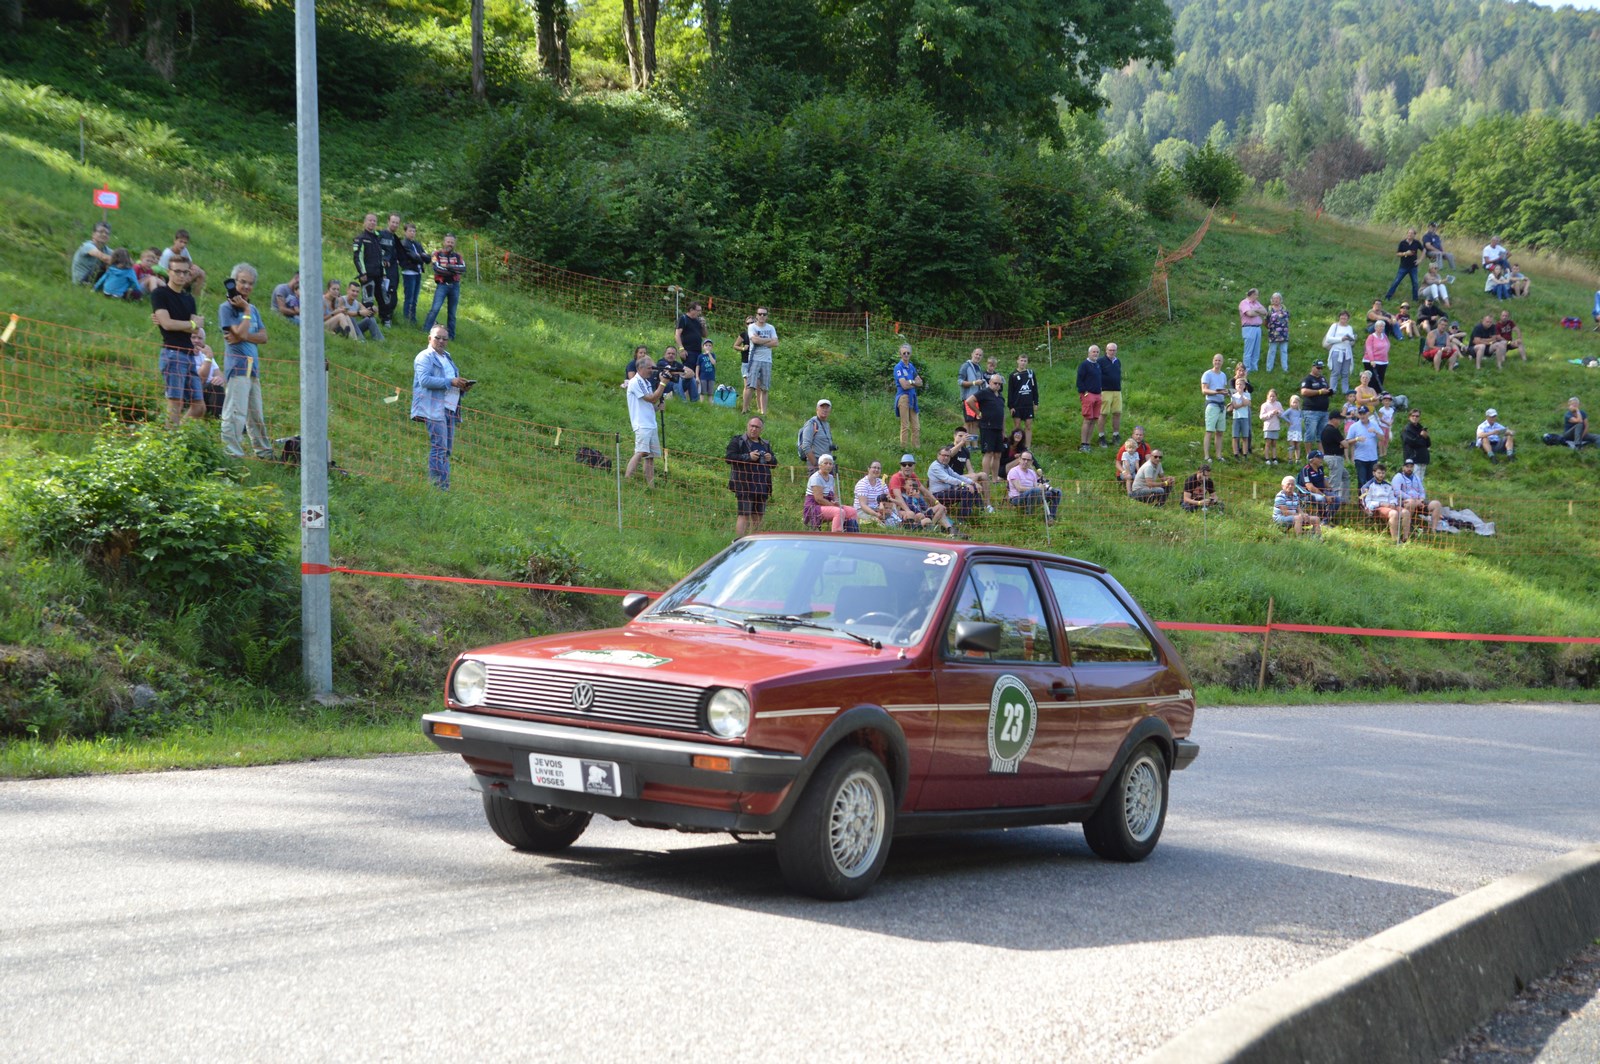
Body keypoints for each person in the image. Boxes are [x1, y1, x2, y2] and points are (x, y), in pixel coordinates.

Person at [217, 263, 274, 460]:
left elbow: (263, 337)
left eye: (250, 283)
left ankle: (264, 452)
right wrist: (246, 310)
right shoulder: (226, 308)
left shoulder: (253, 309)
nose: (246, 286)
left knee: (256, 414)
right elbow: (240, 333)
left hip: (253, 368)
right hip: (238, 366)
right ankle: (231, 454)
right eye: (242, 282)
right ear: (234, 282)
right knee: (235, 412)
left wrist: (244, 334)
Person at [412, 326, 472, 491]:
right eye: (437, 338)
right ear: (429, 338)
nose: (441, 341)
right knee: (439, 448)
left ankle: (444, 486)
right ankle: (438, 488)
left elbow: (451, 381)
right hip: (434, 408)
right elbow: (424, 380)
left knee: (446, 450)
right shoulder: (424, 357)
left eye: (445, 339)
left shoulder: (447, 357)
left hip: (450, 408)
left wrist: (462, 387)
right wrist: (450, 382)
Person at [149, 257, 204, 430]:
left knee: (199, 406)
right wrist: (191, 324)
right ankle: (170, 438)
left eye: (185, 272)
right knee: (175, 402)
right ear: (169, 272)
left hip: (189, 354)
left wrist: (187, 325)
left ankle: (177, 434)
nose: (181, 275)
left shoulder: (189, 299)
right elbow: (167, 324)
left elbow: (195, 330)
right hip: (172, 353)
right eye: (177, 271)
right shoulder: (160, 294)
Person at [725, 416, 776, 537]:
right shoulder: (738, 441)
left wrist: (770, 459)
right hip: (744, 485)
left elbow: (774, 464)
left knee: (758, 517)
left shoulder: (765, 444)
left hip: (762, 486)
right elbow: (729, 458)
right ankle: (739, 542)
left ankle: (755, 543)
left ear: (761, 429)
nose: (754, 429)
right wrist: (748, 457)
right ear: (747, 426)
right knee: (744, 515)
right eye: (752, 426)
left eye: (757, 427)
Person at [624, 351, 668, 488]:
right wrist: (663, 384)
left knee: (650, 457)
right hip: (642, 424)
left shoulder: (646, 382)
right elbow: (652, 398)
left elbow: (649, 405)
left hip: (651, 424)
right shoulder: (635, 382)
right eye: (650, 368)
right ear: (640, 367)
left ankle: (651, 486)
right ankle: (627, 479)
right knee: (641, 451)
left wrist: (658, 407)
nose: (652, 371)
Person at [889, 454, 953, 534]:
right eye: (904, 464)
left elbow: (925, 491)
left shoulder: (912, 476)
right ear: (901, 466)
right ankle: (941, 528)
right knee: (914, 514)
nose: (907, 466)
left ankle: (938, 528)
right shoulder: (896, 478)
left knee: (940, 508)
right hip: (901, 509)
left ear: (914, 466)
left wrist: (937, 503)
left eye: (910, 464)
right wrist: (908, 511)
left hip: (917, 508)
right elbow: (898, 497)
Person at [422, 233, 466, 340]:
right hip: (442, 285)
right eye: (448, 242)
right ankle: (425, 331)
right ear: (444, 242)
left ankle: (451, 336)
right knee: (435, 309)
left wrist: (448, 266)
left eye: (452, 242)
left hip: (455, 286)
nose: (450, 244)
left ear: (454, 244)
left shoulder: (458, 256)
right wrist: (453, 270)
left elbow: (463, 268)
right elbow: (437, 269)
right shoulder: (436, 254)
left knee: (452, 313)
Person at [929, 445, 985, 518]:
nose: (946, 458)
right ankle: (963, 518)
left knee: (973, 487)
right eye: (944, 455)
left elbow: (956, 476)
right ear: (938, 455)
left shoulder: (945, 466)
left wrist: (973, 483)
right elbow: (948, 479)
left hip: (947, 491)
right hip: (938, 495)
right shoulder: (935, 466)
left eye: (948, 456)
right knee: (966, 491)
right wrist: (964, 484)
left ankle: (982, 511)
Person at [1360, 464, 1410, 544]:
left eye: (1383, 473)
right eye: (1379, 473)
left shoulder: (1388, 485)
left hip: (1390, 505)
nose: (1381, 475)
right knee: (1394, 513)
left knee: (1406, 512)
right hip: (1377, 507)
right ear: (1374, 473)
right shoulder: (1367, 486)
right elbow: (1367, 502)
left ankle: (1405, 538)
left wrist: (1393, 503)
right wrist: (1381, 503)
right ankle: (1395, 540)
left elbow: (1392, 498)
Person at [806, 455, 857, 533]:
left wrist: (836, 501)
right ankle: (836, 534)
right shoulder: (816, 478)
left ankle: (852, 533)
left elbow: (834, 495)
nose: (828, 466)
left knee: (852, 511)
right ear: (820, 465)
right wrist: (833, 505)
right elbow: (819, 499)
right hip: (815, 507)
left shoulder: (831, 478)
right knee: (839, 512)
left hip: (828, 504)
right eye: (825, 463)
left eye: (830, 464)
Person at [742, 307, 778, 417]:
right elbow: (754, 340)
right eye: (760, 314)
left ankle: (763, 412)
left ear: (767, 316)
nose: (762, 316)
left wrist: (761, 341)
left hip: (767, 360)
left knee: (764, 388)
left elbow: (776, 343)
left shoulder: (771, 327)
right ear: (756, 315)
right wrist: (769, 340)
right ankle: (744, 409)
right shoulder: (752, 327)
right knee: (750, 386)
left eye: (764, 314)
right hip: (754, 359)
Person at [1005, 452, 1059, 521]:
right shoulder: (1014, 471)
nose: (1026, 462)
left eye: (1028, 460)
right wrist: (1037, 489)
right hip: (1017, 498)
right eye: (1024, 459)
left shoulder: (1032, 472)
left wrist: (1044, 488)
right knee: (1035, 490)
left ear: (1031, 462)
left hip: (1033, 495)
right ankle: (1028, 516)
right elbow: (1019, 488)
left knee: (1057, 492)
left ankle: (1051, 517)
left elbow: (1036, 487)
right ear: (1019, 459)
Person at [947, 428, 994, 507]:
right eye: (960, 436)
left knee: (983, 475)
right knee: (973, 477)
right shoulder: (949, 447)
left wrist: (973, 476)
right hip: (950, 477)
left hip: (961, 476)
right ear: (954, 436)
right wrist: (961, 443)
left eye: (964, 436)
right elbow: (950, 454)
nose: (962, 438)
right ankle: (975, 502)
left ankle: (988, 504)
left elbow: (969, 468)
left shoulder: (965, 451)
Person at [1393, 459, 1442, 533]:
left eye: (1411, 467)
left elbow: (1422, 491)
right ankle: (1408, 528)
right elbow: (1397, 492)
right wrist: (1412, 499)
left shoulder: (1416, 477)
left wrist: (1421, 500)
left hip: (1418, 501)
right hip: (1404, 501)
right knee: (1411, 503)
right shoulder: (1398, 477)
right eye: (1407, 466)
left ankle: (1433, 529)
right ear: (1403, 467)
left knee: (1436, 504)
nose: (1409, 468)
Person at [975, 374, 1007, 482]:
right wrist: (978, 413)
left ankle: (994, 478)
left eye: (999, 384)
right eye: (995, 383)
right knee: (988, 452)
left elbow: (1002, 415)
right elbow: (970, 400)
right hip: (987, 427)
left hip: (998, 428)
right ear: (989, 382)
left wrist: (1003, 430)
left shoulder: (1001, 396)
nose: (997, 385)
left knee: (998, 454)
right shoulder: (984, 392)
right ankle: (985, 478)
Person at [854, 460, 903, 529]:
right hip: (863, 511)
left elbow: (889, 499)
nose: (876, 470)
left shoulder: (881, 483)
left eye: (878, 468)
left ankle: (900, 525)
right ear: (868, 469)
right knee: (877, 521)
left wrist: (890, 509)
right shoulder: (862, 484)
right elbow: (863, 505)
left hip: (879, 509)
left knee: (895, 515)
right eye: (874, 467)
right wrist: (876, 514)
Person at [1200, 352, 1230, 462]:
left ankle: (1218, 455)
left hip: (1221, 405)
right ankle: (1206, 456)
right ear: (1213, 361)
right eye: (1216, 360)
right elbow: (1204, 390)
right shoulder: (1207, 374)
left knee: (1220, 432)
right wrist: (1216, 392)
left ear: (1222, 362)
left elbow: (1223, 389)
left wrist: (1227, 393)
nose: (1217, 362)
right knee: (1209, 431)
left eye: (1219, 360)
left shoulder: (1223, 375)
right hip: (1212, 404)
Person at [1344, 406, 1382, 490]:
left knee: (1372, 481)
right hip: (1360, 458)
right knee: (1362, 481)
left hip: (1373, 457)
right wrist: (1357, 439)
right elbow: (1347, 441)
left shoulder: (1374, 425)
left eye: (1364, 413)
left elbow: (1382, 438)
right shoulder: (1354, 426)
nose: (1362, 416)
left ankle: (1371, 498)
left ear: (1368, 414)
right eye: (1360, 414)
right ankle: (1361, 498)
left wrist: (1376, 432)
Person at [1007, 353, 1040, 449]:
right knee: (1017, 427)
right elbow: (1010, 391)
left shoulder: (1030, 373)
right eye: (1021, 360)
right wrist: (1011, 406)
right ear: (1017, 361)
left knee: (1028, 426)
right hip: (1017, 405)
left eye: (1025, 361)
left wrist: (1036, 402)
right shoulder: (1013, 375)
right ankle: (1015, 446)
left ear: (1027, 362)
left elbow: (1034, 388)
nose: (1023, 363)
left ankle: (1027, 447)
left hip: (1028, 405)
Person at [893, 344, 923, 448]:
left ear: (910, 354)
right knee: (905, 425)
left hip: (912, 398)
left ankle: (916, 448)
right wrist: (913, 382)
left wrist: (910, 381)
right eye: (904, 353)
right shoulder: (898, 367)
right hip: (903, 397)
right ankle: (903, 448)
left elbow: (920, 382)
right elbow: (904, 385)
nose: (906, 354)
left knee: (916, 426)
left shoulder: (911, 366)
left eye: (908, 353)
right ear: (900, 354)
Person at [1299, 360, 1333, 451]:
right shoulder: (1308, 379)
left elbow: (1326, 389)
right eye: (1318, 368)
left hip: (1324, 411)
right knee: (1310, 433)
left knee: (1322, 435)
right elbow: (1304, 391)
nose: (1320, 370)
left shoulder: (1323, 379)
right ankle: (1309, 454)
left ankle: (1321, 454)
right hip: (1311, 411)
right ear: (1313, 367)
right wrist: (1320, 391)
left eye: (1321, 368)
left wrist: (1329, 391)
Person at [397, 223, 427, 326]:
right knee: (409, 297)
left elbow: (427, 258)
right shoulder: (404, 244)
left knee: (415, 297)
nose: (412, 233)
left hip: (418, 272)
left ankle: (412, 318)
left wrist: (421, 256)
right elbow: (413, 257)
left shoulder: (417, 244)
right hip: (409, 273)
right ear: (405, 232)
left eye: (414, 231)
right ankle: (406, 318)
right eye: (410, 231)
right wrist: (421, 256)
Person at [351, 213, 385, 305]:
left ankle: (383, 315)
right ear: (365, 222)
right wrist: (362, 273)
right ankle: (366, 314)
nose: (372, 222)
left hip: (379, 274)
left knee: (384, 300)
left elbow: (381, 257)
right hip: (367, 275)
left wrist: (384, 273)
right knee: (368, 301)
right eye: (370, 220)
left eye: (374, 221)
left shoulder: (377, 238)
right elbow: (357, 258)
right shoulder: (360, 238)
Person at [1295, 451, 1338, 522]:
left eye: (1322, 457)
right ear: (1311, 460)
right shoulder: (1306, 470)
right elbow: (1310, 487)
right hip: (1308, 494)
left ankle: (1327, 520)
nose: (1321, 459)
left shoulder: (1320, 468)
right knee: (1321, 499)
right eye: (1319, 457)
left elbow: (1323, 479)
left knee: (1337, 499)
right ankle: (1321, 519)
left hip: (1322, 491)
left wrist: (1330, 488)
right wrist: (1325, 496)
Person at [1322, 311, 1357, 396]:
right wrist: (1341, 339)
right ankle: (1332, 390)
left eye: (1345, 317)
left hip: (1347, 352)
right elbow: (1329, 338)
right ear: (1339, 317)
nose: (1343, 318)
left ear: (1348, 318)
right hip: (1337, 351)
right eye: (1342, 316)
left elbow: (1351, 339)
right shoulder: (1334, 326)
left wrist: (1352, 338)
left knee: (1345, 373)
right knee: (1335, 372)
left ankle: (1346, 391)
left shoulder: (1349, 327)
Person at [1385, 227, 1425, 301]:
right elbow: (1397, 254)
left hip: (1413, 267)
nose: (1409, 234)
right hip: (1403, 267)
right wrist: (1405, 253)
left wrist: (1420, 260)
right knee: (1396, 281)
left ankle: (1415, 299)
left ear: (1414, 235)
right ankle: (1388, 296)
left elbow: (1424, 250)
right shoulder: (1402, 243)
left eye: (1411, 233)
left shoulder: (1416, 243)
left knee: (1415, 283)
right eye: (1408, 233)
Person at [1077, 345, 1103, 452]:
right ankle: (1083, 444)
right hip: (1088, 394)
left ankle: (1088, 443)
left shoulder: (1097, 365)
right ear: (1089, 353)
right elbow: (1079, 380)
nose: (1095, 354)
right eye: (1093, 352)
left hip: (1098, 395)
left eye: (1097, 352)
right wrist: (1085, 393)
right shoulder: (1084, 365)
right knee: (1087, 419)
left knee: (1094, 420)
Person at [377, 213, 402, 326]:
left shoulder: (396, 238)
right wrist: (383, 259)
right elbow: (376, 249)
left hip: (394, 271)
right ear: (388, 222)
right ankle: (384, 318)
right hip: (383, 270)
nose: (395, 224)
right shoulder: (381, 234)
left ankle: (389, 317)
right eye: (393, 222)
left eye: (397, 223)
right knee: (384, 294)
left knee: (393, 295)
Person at [798, 398, 835, 473]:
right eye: (822, 407)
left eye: (827, 408)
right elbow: (806, 446)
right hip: (818, 463)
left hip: (827, 463)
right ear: (817, 409)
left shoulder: (827, 424)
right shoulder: (811, 423)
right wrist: (815, 464)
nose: (825, 410)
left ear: (830, 410)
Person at [1320, 410, 1349, 504]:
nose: (1340, 421)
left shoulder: (1325, 429)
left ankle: (1343, 499)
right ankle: (1333, 502)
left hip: (1329, 456)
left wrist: (1341, 444)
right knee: (1334, 482)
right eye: (1339, 419)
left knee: (1345, 476)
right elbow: (1346, 444)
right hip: (1335, 458)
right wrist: (1342, 444)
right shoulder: (1333, 430)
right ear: (1333, 419)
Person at [1401, 408, 1432, 484]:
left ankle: (1419, 492)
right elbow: (1412, 442)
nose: (1415, 417)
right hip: (1413, 459)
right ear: (1409, 417)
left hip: (1423, 458)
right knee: (1413, 481)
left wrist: (1426, 437)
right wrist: (1422, 436)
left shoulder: (1421, 428)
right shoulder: (1406, 429)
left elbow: (1428, 444)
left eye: (1417, 416)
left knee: (1420, 481)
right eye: (1413, 416)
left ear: (1419, 417)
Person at [1238, 287, 1266, 372]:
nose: (1257, 296)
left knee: (1256, 349)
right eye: (1256, 295)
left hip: (1257, 328)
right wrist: (1258, 312)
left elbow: (1265, 312)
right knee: (1248, 350)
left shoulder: (1257, 303)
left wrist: (1255, 310)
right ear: (1252, 294)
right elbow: (1249, 313)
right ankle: (1247, 368)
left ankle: (1254, 367)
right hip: (1249, 328)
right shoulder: (1244, 303)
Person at [1114, 425, 1150, 491]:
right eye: (1136, 434)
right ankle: (1130, 491)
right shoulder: (1126, 447)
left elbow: (1149, 461)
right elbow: (1117, 463)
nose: (1138, 436)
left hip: (1137, 471)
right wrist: (1124, 472)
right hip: (1124, 472)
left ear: (1143, 436)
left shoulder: (1145, 446)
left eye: (1140, 435)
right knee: (1131, 482)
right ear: (1133, 435)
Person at [675, 301, 705, 379]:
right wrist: (681, 349)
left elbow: (704, 335)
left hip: (698, 351)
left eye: (700, 311)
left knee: (697, 374)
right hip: (688, 351)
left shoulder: (698, 321)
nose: (700, 313)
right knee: (689, 373)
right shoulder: (683, 319)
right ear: (691, 310)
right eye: (698, 311)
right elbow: (677, 334)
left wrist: (704, 325)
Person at [958, 348, 986, 434]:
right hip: (968, 399)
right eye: (976, 354)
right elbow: (960, 381)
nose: (978, 356)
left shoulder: (979, 367)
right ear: (972, 354)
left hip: (977, 399)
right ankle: (964, 440)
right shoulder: (965, 366)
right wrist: (974, 383)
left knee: (975, 422)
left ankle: (973, 441)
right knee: (968, 422)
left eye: (980, 355)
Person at [1100, 343, 1123, 444]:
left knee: (1117, 413)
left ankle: (1115, 435)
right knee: (1103, 413)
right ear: (1106, 350)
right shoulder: (1100, 361)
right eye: (1110, 350)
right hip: (1105, 390)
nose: (1112, 352)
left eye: (1114, 350)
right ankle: (1101, 436)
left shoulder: (1117, 361)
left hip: (1117, 391)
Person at [1265, 293, 1290, 373]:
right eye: (1274, 298)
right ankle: (1269, 369)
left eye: (1277, 298)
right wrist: (1270, 328)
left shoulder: (1284, 308)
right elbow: (1265, 320)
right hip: (1273, 333)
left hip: (1284, 333)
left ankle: (1285, 369)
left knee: (1284, 351)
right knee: (1272, 351)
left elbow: (1288, 318)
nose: (1276, 300)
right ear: (1272, 300)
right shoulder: (1269, 309)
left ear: (1280, 300)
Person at [1229, 374, 1252, 459]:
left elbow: (1248, 403)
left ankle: (1245, 453)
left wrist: (1242, 398)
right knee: (1235, 436)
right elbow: (1234, 406)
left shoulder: (1247, 394)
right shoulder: (1233, 396)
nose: (1239, 385)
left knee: (1245, 436)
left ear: (1244, 386)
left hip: (1245, 417)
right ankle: (1236, 453)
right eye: (1237, 384)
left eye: (1241, 384)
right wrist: (1243, 404)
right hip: (1236, 417)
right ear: (1235, 386)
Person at [1259, 388, 1284, 466]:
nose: (1272, 398)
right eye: (1270, 396)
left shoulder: (1278, 404)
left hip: (1275, 426)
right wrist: (1270, 414)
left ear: (1276, 397)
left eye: (1273, 396)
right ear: (1267, 396)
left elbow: (1282, 414)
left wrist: (1278, 413)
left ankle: (1274, 458)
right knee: (1268, 443)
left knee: (1274, 443)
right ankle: (1267, 458)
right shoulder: (1264, 405)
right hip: (1268, 427)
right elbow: (1261, 417)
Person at [734, 316, 753, 403]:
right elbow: (735, 346)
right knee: (747, 386)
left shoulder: (758, 334)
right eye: (748, 323)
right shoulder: (744, 334)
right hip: (746, 362)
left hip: (756, 362)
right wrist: (742, 348)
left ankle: (757, 406)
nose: (750, 325)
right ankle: (745, 406)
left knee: (757, 387)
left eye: (752, 323)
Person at [1284, 394, 1305, 465]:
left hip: (1298, 430)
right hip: (1292, 430)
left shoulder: (1299, 411)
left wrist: (1300, 420)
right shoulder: (1290, 410)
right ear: (1291, 403)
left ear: (1299, 403)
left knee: (1297, 445)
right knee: (1291, 445)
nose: (1295, 404)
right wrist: (1289, 421)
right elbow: (1283, 415)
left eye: (1296, 402)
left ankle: (1297, 459)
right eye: (1293, 402)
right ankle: (1290, 459)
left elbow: (1302, 417)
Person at [698, 339, 717, 403]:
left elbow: (714, 363)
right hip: (703, 377)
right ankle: (702, 403)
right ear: (703, 347)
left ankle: (710, 404)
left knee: (710, 393)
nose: (708, 347)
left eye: (710, 345)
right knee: (702, 392)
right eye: (706, 345)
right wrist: (697, 376)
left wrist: (709, 354)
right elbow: (698, 366)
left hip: (711, 377)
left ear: (712, 347)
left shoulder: (713, 355)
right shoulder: (700, 356)